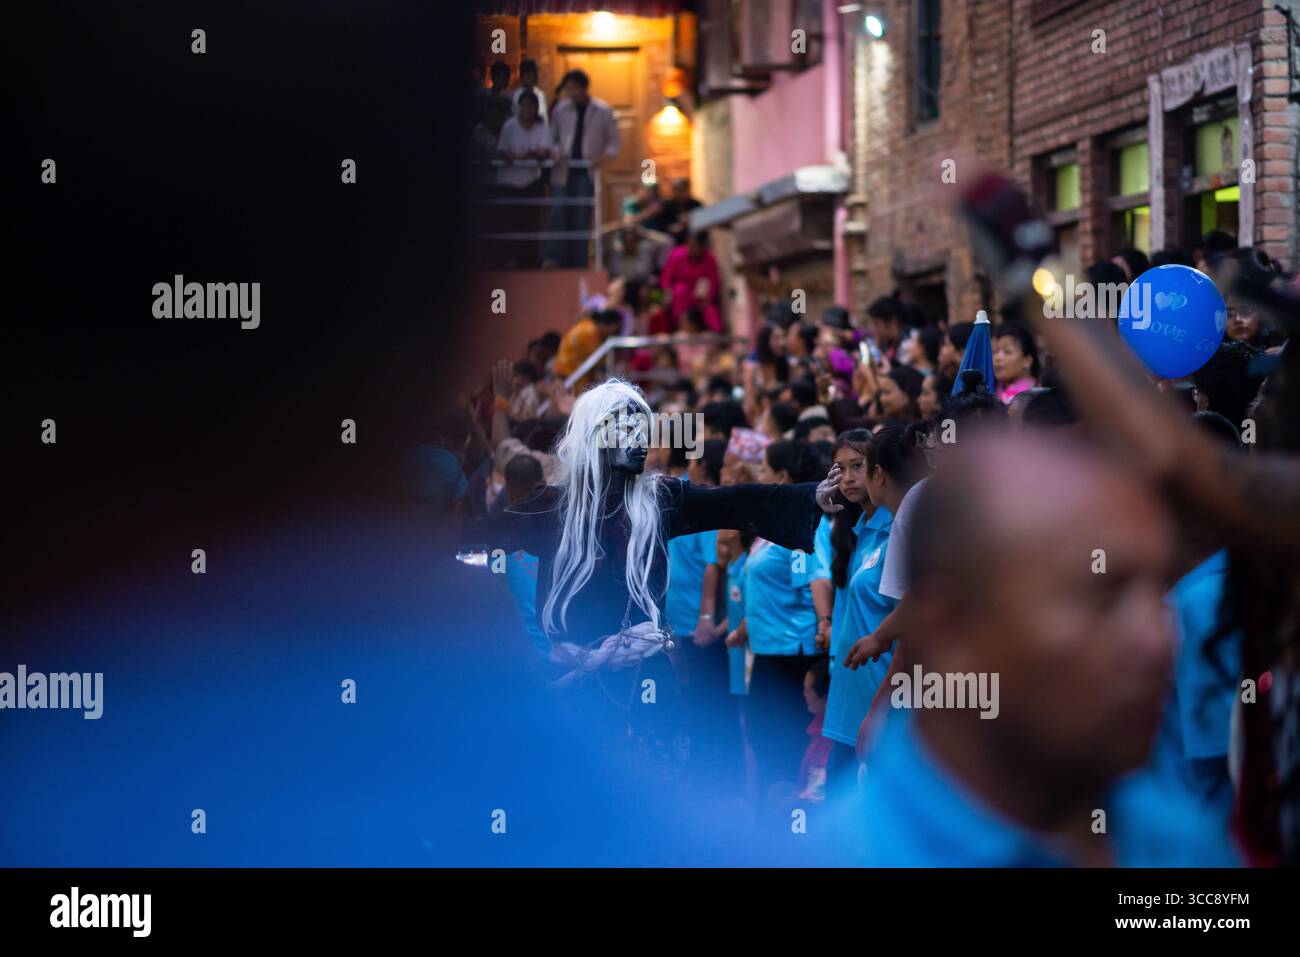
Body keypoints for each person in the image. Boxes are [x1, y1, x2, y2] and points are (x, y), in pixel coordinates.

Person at [857, 433, 1238, 866]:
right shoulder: (841, 855)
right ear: (947, 631)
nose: (1158, 639)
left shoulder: (1183, 841)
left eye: (1158, 588)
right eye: (1101, 597)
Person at [462, 379, 839, 771]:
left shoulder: (658, 500)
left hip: (646, 679)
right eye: (626, 429)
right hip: (576, 681)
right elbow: (481, 535)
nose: (640, 440)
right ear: (596, 434)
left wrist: (808, 497)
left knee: (655, 789)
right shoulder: (554, 508)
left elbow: (731, 501)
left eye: (642, 428)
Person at [726, 440, 828, 794]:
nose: (761, 476)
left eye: (766, 470)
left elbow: (809, 588)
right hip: (767, 648)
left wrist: (822, 630)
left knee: (783, 739)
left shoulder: (799, 530)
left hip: (791, 652)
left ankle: (788, 815)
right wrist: (746, 626)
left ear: (782, 476)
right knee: (758, 730)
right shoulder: (771, 530)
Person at [544, 70, 620, 268]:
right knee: (557, 212)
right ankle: (553, 259)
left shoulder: (603, 111)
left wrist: (600, 159)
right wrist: (556, 152)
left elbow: (613, 144)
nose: (570, 93)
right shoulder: (560, 110)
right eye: (567, 88)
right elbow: (550, 140)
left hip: (585, 172)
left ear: (584, 88)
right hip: (562, 171)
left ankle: (578, 264)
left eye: (573, 88)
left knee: (581, 217)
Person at [495, 90, 551, 268]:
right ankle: (508, 260)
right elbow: (503, 152)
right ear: (518, 107)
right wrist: (526, 155)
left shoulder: (542, 127)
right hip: (508, 184)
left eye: (531, 105)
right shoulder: (510, 126)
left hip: (530, 182)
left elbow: (542, 152)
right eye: (524, 105)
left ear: (536, 108)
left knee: (530, 224)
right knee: (509, 223)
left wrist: (523, 156)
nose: (527, 109)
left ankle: (529, 262)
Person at [661, 232, 722, 333]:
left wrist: (705, 299)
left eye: (695, 246)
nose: (691, 248)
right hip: (679, 299)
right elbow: (666, 279)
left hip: (700, 300)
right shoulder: (677, 254)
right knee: (680, 290)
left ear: (703, 247)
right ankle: (680, 329)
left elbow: (713, 284)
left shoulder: (710, 259)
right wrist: (668, 293)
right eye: (689, 244)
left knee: (710, 311)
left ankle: (713, 338)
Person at [551, 309, 623, 387]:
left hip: (566, 370)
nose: (616, 332)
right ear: (610, 324)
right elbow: (599, 361)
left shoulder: (588, 325)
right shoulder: (591, 332)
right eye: (616, 329)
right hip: (568, 374)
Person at [991, 321, 1039, 404]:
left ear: (1027, 360)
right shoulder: (990, 390)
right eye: (994, 351)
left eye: (1007, 351)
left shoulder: (1036, 397)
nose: (997, 358)